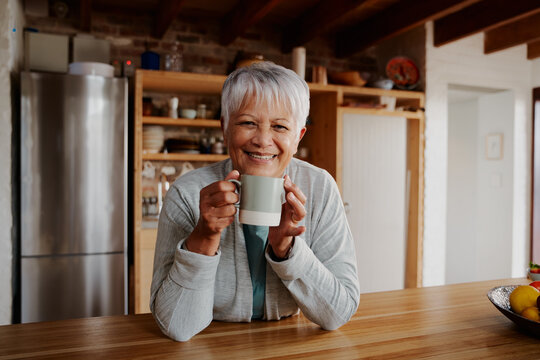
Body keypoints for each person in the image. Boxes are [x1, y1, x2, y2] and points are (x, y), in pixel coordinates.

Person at [150, 61, 360, 342]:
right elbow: (177, 325)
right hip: (212, 346)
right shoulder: (187, 193)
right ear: (225, 127)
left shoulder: (319, 188)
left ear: (298, 137)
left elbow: (338, 312)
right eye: (248, 123)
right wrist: (204, 236)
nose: (263, 140)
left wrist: (286, 248)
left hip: (288, 346)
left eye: (280, 126)